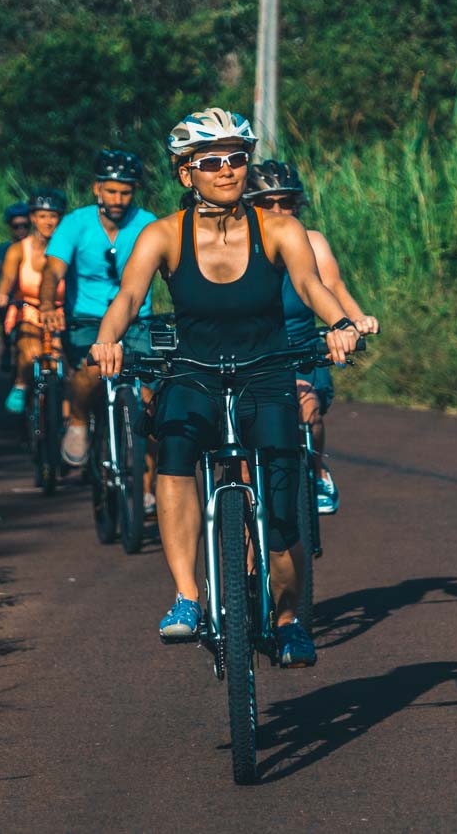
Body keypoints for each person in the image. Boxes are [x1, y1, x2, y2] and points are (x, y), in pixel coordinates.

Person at [91, 108, 361, 668]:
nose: (227, 170)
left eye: (237, 158)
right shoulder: (162, 235)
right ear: (186, 173)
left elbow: (311, 286)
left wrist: (340, 326)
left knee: (284, 521)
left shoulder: (279, 228)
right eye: (210, 161)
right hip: (193, 370)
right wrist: (107, 341)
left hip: (267, 370)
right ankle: (188, 596)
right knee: (174, 456)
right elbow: (126, 299)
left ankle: (288, 622)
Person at [245, 160, 379, 514]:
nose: (278, 210)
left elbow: (332, 285)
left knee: (308, 411)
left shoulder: (311, 240)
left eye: (286, 202)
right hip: (250, 351)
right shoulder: (235, 242)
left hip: (299, 349)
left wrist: (354, 319)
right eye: (266, 202)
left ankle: (318, 470)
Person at [39, 149, 157, 489]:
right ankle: (77, 421)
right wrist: (48, 306)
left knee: (150, 399)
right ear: (97, 189)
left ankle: (146, 487)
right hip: (86, 321)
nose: (118, 198)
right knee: (90, 370)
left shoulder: (147, 223)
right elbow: (53, 271)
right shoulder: (75, 223)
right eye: (112, 190)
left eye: (126, 191)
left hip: (138, 322)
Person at [0, 188, 66, 414]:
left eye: (53, 216)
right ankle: (21, 385)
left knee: (60, 358)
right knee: (28, 350)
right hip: (27, 308)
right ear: (33, 218)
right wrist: (2, 293)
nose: (48, 222)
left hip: (61, 312)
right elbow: (8, 278)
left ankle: (63, 410)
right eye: (43, 216)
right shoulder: (18, 250)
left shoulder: (67, 248)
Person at [0, 201, 31, 373]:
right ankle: (7, 347)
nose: (21, 230)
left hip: (32, 299)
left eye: (25, 226)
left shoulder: (39, 248)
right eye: (16, 226)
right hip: (11, 298)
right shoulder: (4, 249)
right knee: (6, 320)